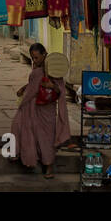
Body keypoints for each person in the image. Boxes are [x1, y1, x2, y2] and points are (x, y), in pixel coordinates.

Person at [9, 42, 72, 178]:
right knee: (19, 125)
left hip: (46, 109)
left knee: (46, 138)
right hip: (32, 106)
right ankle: (27, 156)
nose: (34, 61)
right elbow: (34, 84)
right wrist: (25, 88)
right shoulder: (37, 67)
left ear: (44, 55)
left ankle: (49, 167)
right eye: (32, 58)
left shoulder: (53, 68)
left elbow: (60, 90)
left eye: (37, 57)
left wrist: (51, 85)